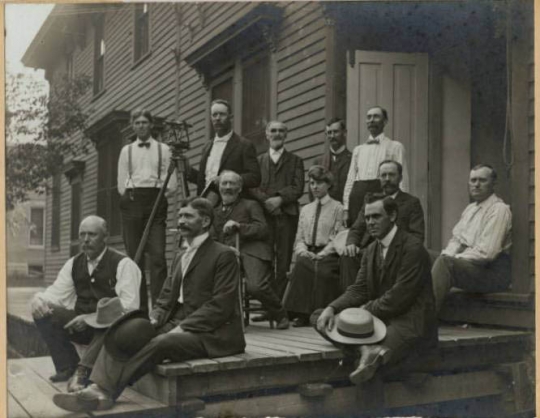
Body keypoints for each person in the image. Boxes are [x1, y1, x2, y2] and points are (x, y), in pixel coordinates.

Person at [53, 198, 246, 412]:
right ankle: (95, 383)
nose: (181, 221)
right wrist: (152, 319)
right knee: (127, 329)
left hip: (215, 334)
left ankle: (105, 391)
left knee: (161, 342)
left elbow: (220, 306)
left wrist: (185, 326)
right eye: (180, 216)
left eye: (188, 216)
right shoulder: (181, 256)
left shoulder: (224, 255)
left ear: (206, 221)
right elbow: (165, 298)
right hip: (176, 323)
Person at [315, 194, 437, 384]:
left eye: (376, 217)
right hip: (381, 318)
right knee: (320, 318)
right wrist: (332, 308)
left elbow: (400, 297)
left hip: (409, 323)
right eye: (367, 217)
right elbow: (359, 289)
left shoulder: (413, 248)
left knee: (373, 369)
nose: (370, 222)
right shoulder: (371, 250)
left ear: (393, 216)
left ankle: (368, 357)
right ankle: (364, 349)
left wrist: (362, 312)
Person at [30, 216, 141, 391]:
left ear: (105, 237)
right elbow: (55, 293)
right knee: (43, 310)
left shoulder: (123, 264)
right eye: (82, 235)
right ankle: (67, 366)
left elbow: (129, 308)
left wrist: (90, 319)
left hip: (110, 331)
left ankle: (83, 372)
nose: (86, 240)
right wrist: (38, 299)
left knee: (113, 322)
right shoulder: (74, 263)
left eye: (92, 235)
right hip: (80, 326)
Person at [213, 171, 289, 329]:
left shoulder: (250, 205)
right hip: (226, 255)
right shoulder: (215, 212)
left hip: (252, 251)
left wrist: (239, 227)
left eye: (232, 184)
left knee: (255, 286)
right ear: (219, 187)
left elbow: (263, 229)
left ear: (240, 188)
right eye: (224, 183)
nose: (228, 187)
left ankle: (280, 313)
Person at [432, 164, 512, 313]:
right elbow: (456, 240)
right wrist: (449, 254)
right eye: (473, 180)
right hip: (471, 267)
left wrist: (453, 258)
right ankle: (402, 312)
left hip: (492, 273)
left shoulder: (499, 209)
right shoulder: (470, 209)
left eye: (482, 180)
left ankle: (423, 321)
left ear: (494, 183)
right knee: (421, 255)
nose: (476, 184)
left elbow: (486, 253)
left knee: (445, 263)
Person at [117, 109, 176, 309]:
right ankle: (139, 309)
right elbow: (120, 183)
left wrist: (157, 199)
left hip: (156, 200)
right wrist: (130, 199)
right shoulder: (127, 151)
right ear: (133, 126)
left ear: (151, 125)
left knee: (158, 256)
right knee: (135, 257)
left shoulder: (164, 149)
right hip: (132, 201)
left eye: (145, 122)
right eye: (137, 123)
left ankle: (159, 308)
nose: (141, 126)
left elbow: (172, 184)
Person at [340, 160, 425, 290]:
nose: (387, 179)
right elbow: (357, 227)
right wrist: (351, 242)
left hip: (395, 253)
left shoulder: (411, 202)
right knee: (348, 256)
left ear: (400, 178)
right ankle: (352, 301)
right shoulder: (371, 200)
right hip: (369, 250)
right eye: (383, 175)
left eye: (391, 175)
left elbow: (417, 236)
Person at [283, 166, 345, 327]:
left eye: (319, 183)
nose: (315, 187)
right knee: (301, 266)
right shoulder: (306, 209)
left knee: (324, 271)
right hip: (308, 251)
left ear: (328, 184)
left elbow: (338, 237)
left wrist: (323, 254)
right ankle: (301, 314)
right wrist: (303, 251)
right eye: (311, 183)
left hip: (329, 253)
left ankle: (321, 312)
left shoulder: (338, 208)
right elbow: (300, 237)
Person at [249, 121, 304, 299]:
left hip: (287, 215)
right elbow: (252, 187)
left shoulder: (296, 161)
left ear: (286, 135)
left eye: (281, 131)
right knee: (266, 257)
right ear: (266, 135)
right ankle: (267, 303)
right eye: (273, 131)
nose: (277, 134)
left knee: (283, 259)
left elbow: (298, 187)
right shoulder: (258, 161)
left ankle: (279, 304)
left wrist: (279, 199)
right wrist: (267, 202)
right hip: (264, 216)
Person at [342, 106, 409, 226]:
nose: (371, 120)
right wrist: (346, 208)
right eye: (369, 117)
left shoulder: (395, 146)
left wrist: (400, 205)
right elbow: (350, 180)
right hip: (358, 195)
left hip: (381, 192)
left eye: (376, 116)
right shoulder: (358, 150)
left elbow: (402, 179)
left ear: (385, 121)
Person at [188, 99, 261, 206]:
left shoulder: (244, 145)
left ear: (230, 117)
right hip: (208, 205)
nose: (217, 118)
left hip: (233, 205)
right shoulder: (207, 147)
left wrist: (227, 179)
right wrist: (188, 171)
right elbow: (204, 180)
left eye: (222, 114)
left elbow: (255, 177)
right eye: (214, 115)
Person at [313, 118, 352, 203]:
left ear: (344, 133)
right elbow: (313, 193)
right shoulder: (318, 162)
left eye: (336, 132)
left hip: (345, 211)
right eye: (329, 133)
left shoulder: (353, 159)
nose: (332, 136)